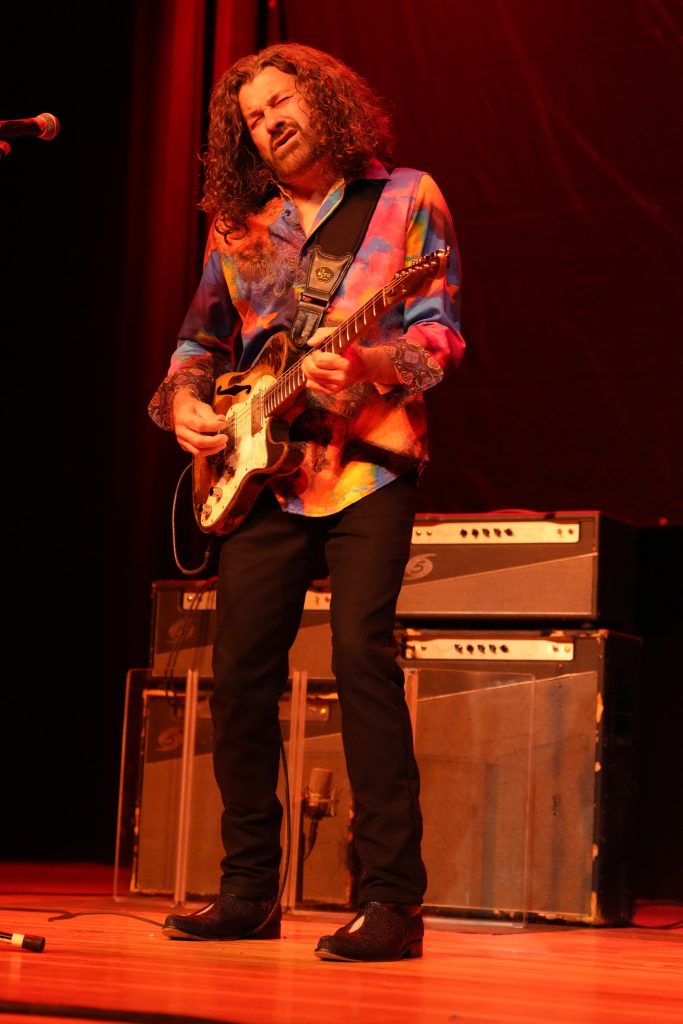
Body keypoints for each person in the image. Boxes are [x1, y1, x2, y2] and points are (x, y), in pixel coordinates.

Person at [148, 41, 464, 962]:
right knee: (239, 678)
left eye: (281, 102)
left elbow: (439, 345)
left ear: (325, 101)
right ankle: (247, 889)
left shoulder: (406, 197)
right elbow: (197, 343)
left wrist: (367, 363)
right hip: (262, 478)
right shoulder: (238, 226)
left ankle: (391, 900)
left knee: (362, 659)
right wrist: (186, 405)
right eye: (251, 117)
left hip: (366, 465)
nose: (269, 123)